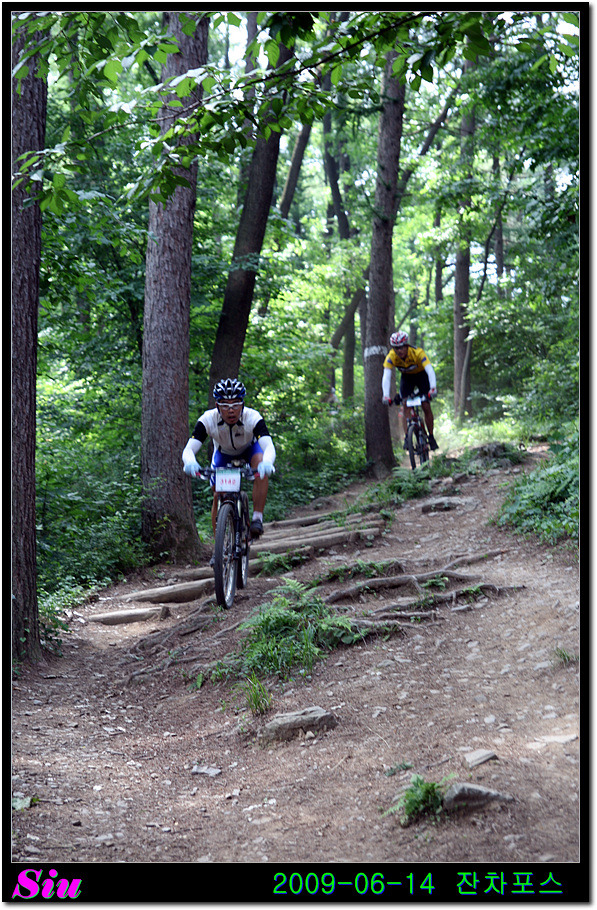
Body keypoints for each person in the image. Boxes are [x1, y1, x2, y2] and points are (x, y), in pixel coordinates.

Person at [182, 378, 276, 538]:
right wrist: (190, 461)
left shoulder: (253, 417)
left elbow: (268, 446)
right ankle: (219, 543)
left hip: (250, 449)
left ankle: (257, 518)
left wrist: (267, 462)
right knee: (218, 494)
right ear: (217, 405)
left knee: (261, 467)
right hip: (223, 454)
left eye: (236, 404)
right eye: (225, 405)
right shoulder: (208, 419)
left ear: (243, 404)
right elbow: (189, 448)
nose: (231, 410)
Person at [381, 330, 439, 451]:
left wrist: (433, 388)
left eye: (401, 347)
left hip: (422, 377)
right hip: (407, 379)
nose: (399, 351)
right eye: (396, 348)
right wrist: (386, 395)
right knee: (405, 406)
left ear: (407, 345)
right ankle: (408, 437)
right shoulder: (391, 356)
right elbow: (386, 375)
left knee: (425, 405)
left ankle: (431, 436)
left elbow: (429, 370)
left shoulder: (418, 353)